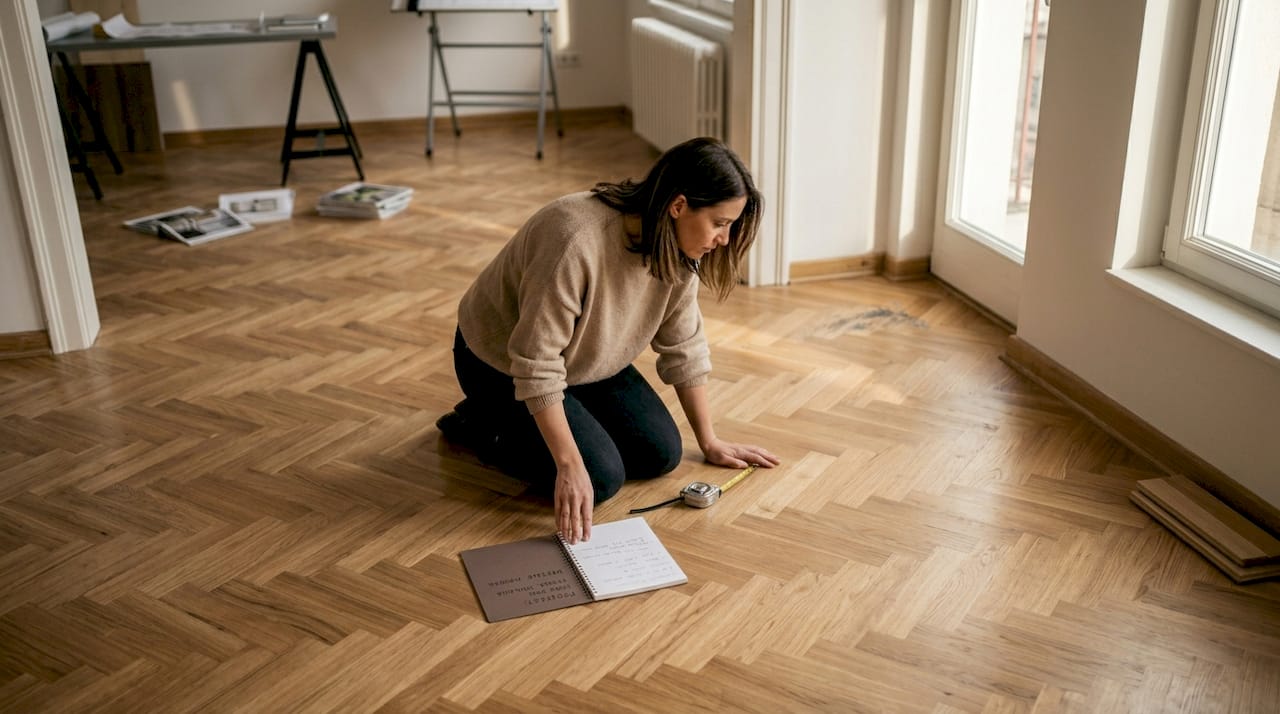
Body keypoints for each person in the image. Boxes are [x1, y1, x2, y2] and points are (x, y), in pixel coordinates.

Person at [438, 136, 780, 544]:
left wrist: (709, 440)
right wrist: (568, 464)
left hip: (586, 361)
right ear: (678, 205)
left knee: (661, 454)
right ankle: (481, 422)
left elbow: (683, 344)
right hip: (498, 363)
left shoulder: (680, 250)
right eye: (720, 223)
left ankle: (554, 430)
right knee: (599, 478)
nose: (725, 239)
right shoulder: (573, 238)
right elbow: (535, 361)